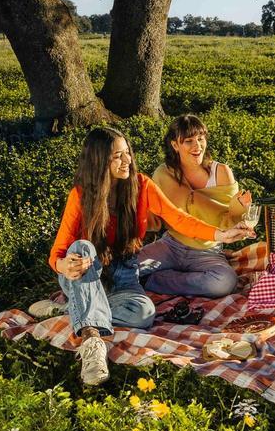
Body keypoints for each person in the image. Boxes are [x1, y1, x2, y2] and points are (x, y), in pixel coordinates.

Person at [46, 127, 253, 385]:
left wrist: (220, 234)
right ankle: (92, 342)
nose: (127, 161)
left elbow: (177, 217)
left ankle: (75, 308)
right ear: (99, 161)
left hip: (124, 272)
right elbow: (58, 251)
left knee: (143, 315)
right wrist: (62, 264)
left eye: (127, 154)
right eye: (117, 157)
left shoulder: (141, 185)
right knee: (82, 248)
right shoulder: (80, 196)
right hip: (86, 271)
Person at [138, 114, 252, 298]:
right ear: (175, 145)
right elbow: (158, 217)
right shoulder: (165, 173)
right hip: (171, 245)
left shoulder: (221, 172)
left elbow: (229, 220)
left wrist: (240, 207)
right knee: (124, 267)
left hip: (207, 250)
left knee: (224, 282)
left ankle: (153, 281)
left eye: (200, 139)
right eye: (188, 141)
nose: (197, 146)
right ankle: (170, 278)